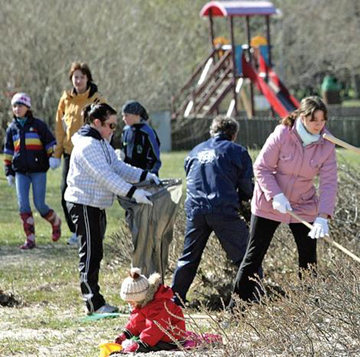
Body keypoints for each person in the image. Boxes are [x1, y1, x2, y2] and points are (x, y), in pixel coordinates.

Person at [229, 96, 337, 307]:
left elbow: (329, 183)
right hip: (269, 203)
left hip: (303, 204)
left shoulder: (327, 144)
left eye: (323, 121)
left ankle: (310, 313)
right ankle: (235, 311)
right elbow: (261, 168)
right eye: (315, 121)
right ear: (303, 117)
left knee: (308, 261)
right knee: (253, 257)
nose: (320, 126)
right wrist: (276, 195)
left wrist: (323, 216)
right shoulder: (282, 134)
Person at [64, 103, 160, 315]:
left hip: (96, 205)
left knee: (96, 251)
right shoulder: (87, 146)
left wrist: (144, 176)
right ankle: (93, 304)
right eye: (111, 125)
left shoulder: (101, 142)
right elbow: (107, 177)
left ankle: (95, 300)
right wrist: (134, 193)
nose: (114, 130)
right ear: (97, 123)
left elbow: (118, 167)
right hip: (84, 204)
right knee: (90, 252)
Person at [171, 115, 254, 306]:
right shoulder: (237, 151)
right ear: (234, 134)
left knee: (189, 257)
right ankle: (248, 299)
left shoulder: (193, 152)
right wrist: (245, 209)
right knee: (245, 256)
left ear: (212, 132)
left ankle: (175, 299)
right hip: (223, 209)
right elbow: (247, 188)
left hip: (196, 210)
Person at [50, 62, 106, 246]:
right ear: (71, 79)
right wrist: (56, 154)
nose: (79, 80)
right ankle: (76, 231)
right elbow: (60, 128)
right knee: (66, 193)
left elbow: (106, 125)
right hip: (70, 153)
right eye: (75, 77)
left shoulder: (97, 99)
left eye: (82, 77)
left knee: (94, 193)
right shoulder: (65, 100)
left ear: (88, 78)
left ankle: (96, 230)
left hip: (91, 154)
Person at [4, 92, 61, 249]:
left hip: (38, 171)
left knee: (39, 204)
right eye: (14, 106)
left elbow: (50, 143)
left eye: (20, 105)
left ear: (27, 107)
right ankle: (30, 240)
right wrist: (8, 171)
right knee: (23, 205)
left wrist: (53, 156)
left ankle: (56, 222)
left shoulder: (38, 125)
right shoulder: (12, 129)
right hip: (21, 172)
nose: (17, 109)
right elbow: (8, 151)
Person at [114, 267, 186, 353]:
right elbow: (137, 320)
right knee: (135, 342)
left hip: (172, 339)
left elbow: (155, 329)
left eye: (131, 301)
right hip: (158, 336)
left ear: (139, 297)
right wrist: (125, 334)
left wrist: (141, 344)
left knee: (143, 347)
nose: (129, 304)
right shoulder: (144, 303)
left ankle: (141, 345)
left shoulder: (159, 306)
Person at [120, 100, 161, 175]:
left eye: (126, 115)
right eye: (123, 116)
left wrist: (149, 175)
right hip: (129, 176)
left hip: (146, 177)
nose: (123, 118)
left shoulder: (148, 132)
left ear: (137, 115)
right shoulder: (126, 131)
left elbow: (155, 157)